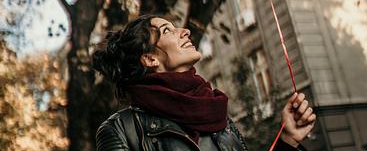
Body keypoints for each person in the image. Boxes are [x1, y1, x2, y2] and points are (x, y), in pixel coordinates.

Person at [92, 14, 316, 151]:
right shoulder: (121, 130)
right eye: (168, 31)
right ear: (150, 58)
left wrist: (287, 140)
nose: (185, 32)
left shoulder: (217, 114)